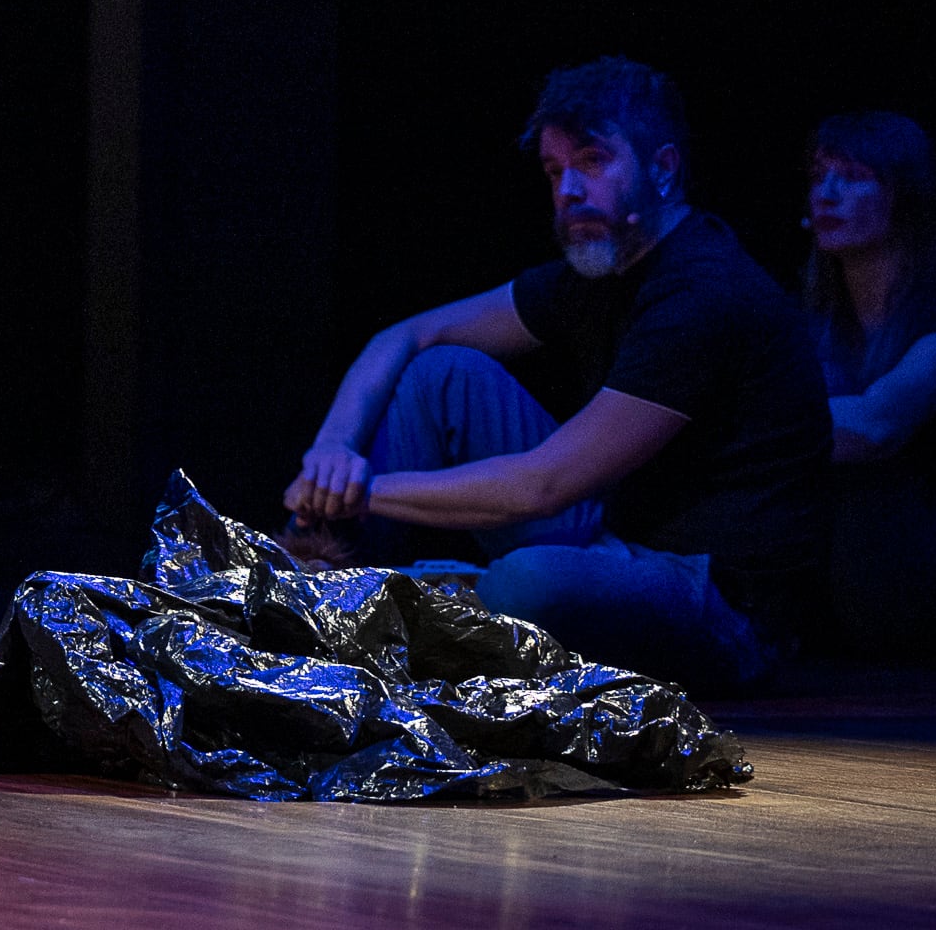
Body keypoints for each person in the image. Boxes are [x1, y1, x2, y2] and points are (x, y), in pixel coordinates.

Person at [286, 59, 831, 693]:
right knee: (441, 375)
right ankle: (339, 600)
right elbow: (404, 335)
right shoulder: (597, 272)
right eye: (554, 171)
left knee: (527, 583)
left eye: (593, 161)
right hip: (612, 537)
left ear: (663, 168)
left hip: (721, 604)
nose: (568, 189)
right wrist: (329, 452)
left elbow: (542, 486)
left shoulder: (702, 293)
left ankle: (362, 605)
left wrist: (357, 490)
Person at [802, 111, 936, 649]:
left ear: (905, 195)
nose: (826, 193)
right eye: (819, 175)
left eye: (853, 176)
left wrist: (736, 417)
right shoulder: (814, 324)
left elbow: (874, 428)